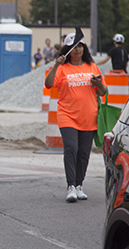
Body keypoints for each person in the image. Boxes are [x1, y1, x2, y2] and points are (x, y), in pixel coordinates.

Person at [44, 27, 106, 203]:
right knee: (71, 148)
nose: (77, 49)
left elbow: (103, 92)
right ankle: (71, 186)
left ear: (84, 48)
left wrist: (98, 84)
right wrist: (56, 65)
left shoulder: (92, 67)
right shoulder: (62, 68)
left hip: (89, 116)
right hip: (67, 115)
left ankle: (79, 185)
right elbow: (49, 84)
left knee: (84, 153)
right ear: (67, 50)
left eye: (80, 45)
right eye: (73, 46)